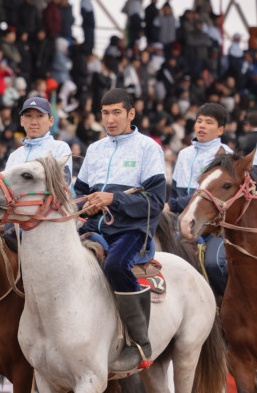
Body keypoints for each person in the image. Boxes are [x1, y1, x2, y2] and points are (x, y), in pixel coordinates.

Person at [74, 87, 165, 372]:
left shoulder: (149, 148)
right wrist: (85, 205)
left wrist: (114, 198)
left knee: (115, 265)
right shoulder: (95, 149)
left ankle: (139, 343)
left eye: (116, 113)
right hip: (92, 226)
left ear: (131, 114)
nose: (110, 119)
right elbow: (79, 193)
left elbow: (156, 201)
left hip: (131, 231)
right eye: (105, 113)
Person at [168, 102, 231, 295]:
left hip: (214, 226)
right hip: (183, 220)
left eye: (208, 122)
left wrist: (174, 204)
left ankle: (224, 303)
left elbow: (211, 199)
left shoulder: (226, 156)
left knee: (213, 265)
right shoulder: (185, 153)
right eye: (199, 121)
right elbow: (176, 192)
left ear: (220, 129)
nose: (201, 126)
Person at [3, 97, 73, 184]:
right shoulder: (14, 156)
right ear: (21, 121)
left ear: (51, 121)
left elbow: (63, 186)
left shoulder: (60, 148)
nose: (33, 122)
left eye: (40, 116)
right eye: (28, 116)